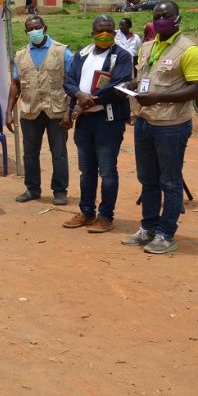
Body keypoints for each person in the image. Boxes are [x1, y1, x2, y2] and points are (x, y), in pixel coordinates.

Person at [123, 1, 198, 254]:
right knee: (147, 180)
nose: (161, 19)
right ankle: (148, 228)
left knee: (169, 182)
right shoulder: (148, 46)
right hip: (145, 120)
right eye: (157, 16)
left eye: (166, 15)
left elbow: (197, 89)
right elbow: (150, 78)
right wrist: (134, 84)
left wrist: (159, 97)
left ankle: (166, 234)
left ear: (177, 18)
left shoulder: (189, 50)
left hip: (171, 124)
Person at [61, 15, 133, 233]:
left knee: (108, 171)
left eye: (110, 31)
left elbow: (118, 86)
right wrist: (77, 95)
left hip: (107, 121)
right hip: (84, 121)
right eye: (101, 30)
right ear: (92, 33)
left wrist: (89, 99)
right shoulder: (82, 54)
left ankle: (105, 216)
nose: (106, 34)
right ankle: (86, 211)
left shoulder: (121, 56)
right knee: (86, 170)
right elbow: (68, 81)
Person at [6, 16, 73, 205]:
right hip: (30, 110)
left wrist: (70, 111)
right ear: (26, 32)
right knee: (30, 153)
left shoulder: (62, 52)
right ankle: (32, 188)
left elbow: (72, 83)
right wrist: (8, 110)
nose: (34, 31)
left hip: (57, 111)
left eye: (37, 27)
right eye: (30, 29)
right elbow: (15, 85)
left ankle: (60, 191)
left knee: (58, 153)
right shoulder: (20, 55)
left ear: (45, 28)